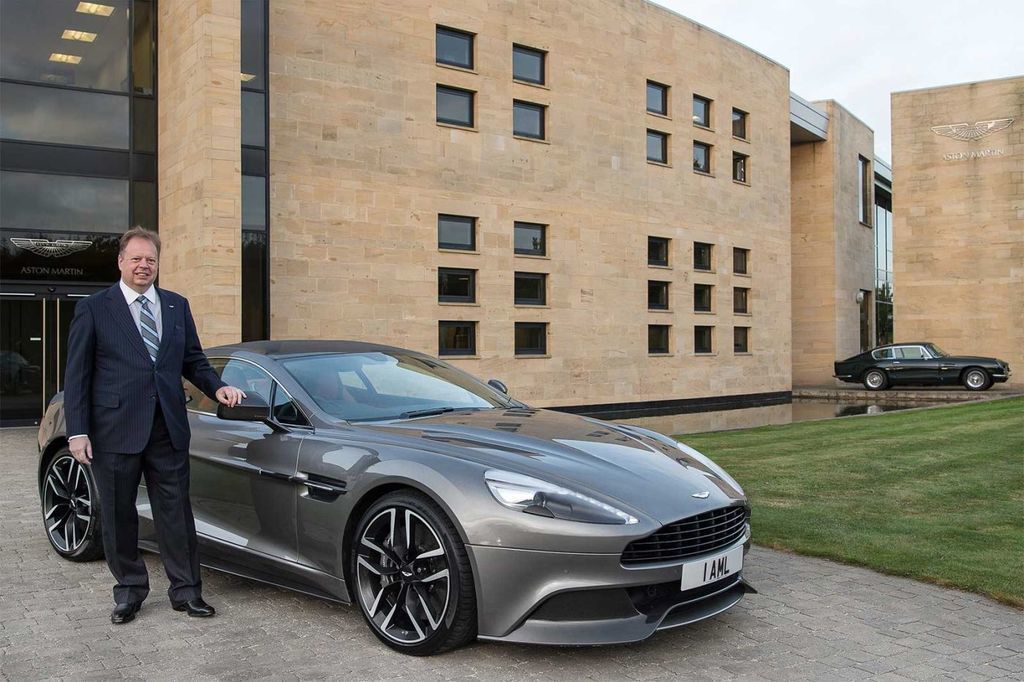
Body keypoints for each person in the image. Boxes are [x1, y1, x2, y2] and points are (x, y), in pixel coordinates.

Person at [64, 227, 246, 624]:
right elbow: (77, 375)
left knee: (176, 514)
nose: (143, 265)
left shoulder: (176, 306)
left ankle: (187, 592)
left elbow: (193, 360)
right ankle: (130, 591)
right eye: (136, 258)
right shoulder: (95, 308)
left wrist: (217, 387)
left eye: (151, 259)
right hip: (114, 431)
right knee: (119, 516)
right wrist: (77, 431)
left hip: (168, 428)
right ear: (121, 262)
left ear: (158, 264)